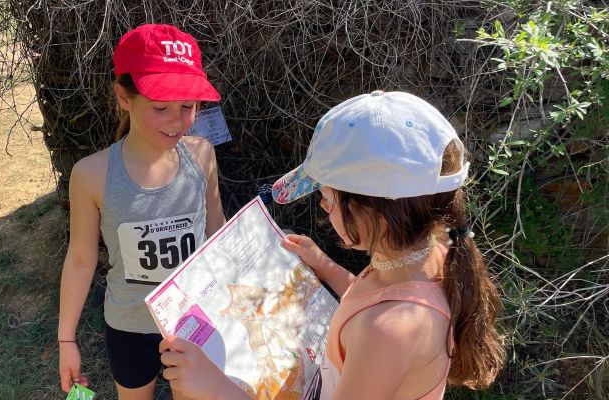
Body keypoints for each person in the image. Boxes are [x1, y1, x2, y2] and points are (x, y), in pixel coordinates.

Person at [159, 91, 506, 399]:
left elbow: (378, 320)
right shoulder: (423, 257)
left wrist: (215, 387)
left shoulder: (389, 330)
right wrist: (324, 265)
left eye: (326, 197)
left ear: (374, 212)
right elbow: (370, 294)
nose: (323, 208)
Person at [57, 24, 226, 399]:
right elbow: (82, 259)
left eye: (188, 106)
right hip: (129, 326)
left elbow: (217, 232)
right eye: (161, 106)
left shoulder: (201, 155)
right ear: (123, 97)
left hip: (193, 322)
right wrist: (66, 338)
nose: (177, 120)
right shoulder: (92, 174)